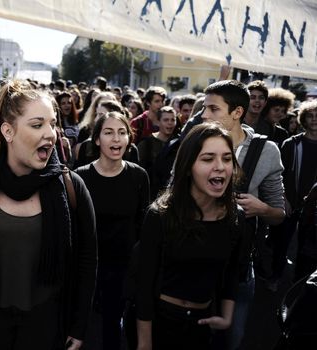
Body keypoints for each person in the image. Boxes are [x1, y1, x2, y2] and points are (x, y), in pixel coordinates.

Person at [0, 80, 97, 350]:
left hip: (49, 327)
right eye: (37, 125)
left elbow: (87, 261)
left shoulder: (72, 187)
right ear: (7, 131)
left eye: (52, 123)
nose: (50, 134)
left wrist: (79, 325)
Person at [135, 122, 245, 350]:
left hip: (203, 323)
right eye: (208, 159)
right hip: (161, 321)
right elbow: (143, 284)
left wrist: (227, 317)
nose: (220, 167)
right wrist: (144, 343)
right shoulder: (160, 215)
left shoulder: (237, 217)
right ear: (187, 167)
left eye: (226, 158)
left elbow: (233, 271)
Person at [201, 80, 285, 349]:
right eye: (204, 108)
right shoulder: (196, 142)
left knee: (231, 339)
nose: (204, 115)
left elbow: (279, 214)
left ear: (237, 113)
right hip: (195, 257)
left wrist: (262, 209)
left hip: (238, 264)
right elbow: (170, 193)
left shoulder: (266, 151)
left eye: (213, 109)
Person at [75, 111, 149, 350]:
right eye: (108, 132)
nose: (116, 139)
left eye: (121, 132)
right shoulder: (80, 177)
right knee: (80, 328)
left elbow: (142, 225)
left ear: (129, 138)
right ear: (97, 140)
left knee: (112, 330)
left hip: (123, 267)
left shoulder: (138, 176)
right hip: (87, 266)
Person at [271, 101, 317, 288]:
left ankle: (299, 285)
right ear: (303, 118)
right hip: (290, 203)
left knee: (307, 249)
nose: (314, 120)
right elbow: (276, 174)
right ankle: (274, 277)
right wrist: (284, 199)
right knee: (282, 244)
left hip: (313, 209)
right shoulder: (292, 143)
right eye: (310, 116)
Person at [137, 106, 179, 199]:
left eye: (173, 120)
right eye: (166, 120)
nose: (170, 123)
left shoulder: (179, 143)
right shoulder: (146, 144)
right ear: (158, 121)